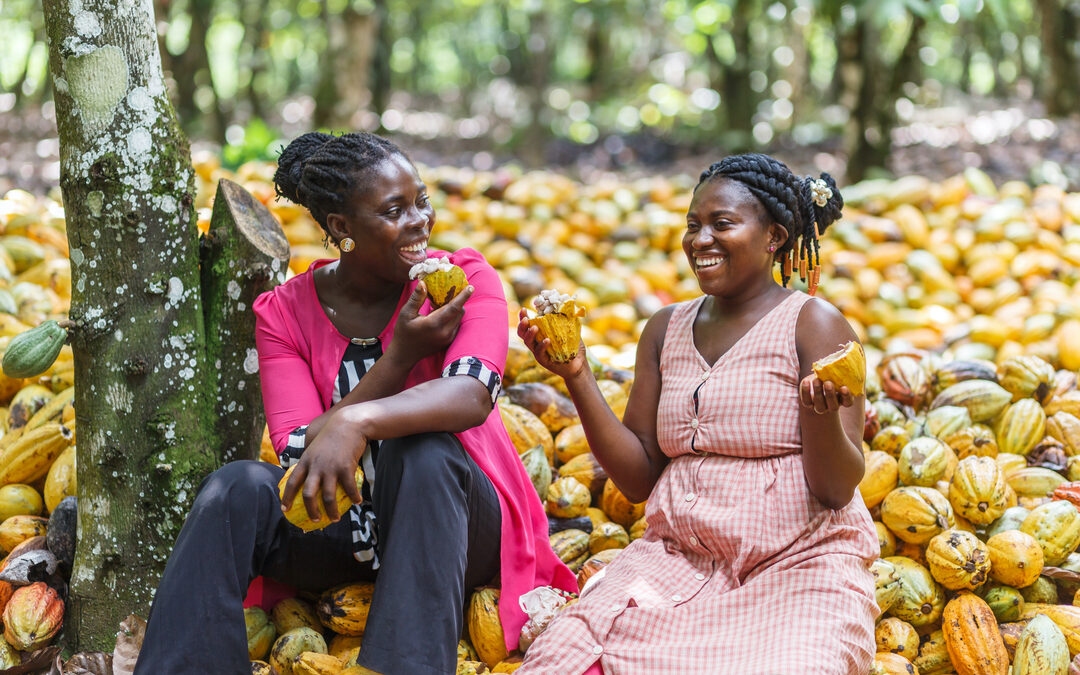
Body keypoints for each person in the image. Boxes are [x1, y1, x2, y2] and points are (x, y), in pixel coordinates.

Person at [135, 132, 576, 675]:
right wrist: (399, 358)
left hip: (453, 526)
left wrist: (355, 420)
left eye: (422, 200)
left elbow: (470, 396)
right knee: (234, 487)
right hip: (341, 528)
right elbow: (298, 449)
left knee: (423, 450)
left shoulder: (464, 280)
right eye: (395, 210)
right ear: (341, 228)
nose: (419, 221)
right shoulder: (284, 314)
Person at [515, 154, 879, 674]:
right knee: (561, 658)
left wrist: (817, 413)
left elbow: (837, 489)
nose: (699, 240)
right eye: (693, 225)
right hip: (674, 561)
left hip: (797, 566)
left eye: (722, 224)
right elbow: (639, 478)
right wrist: (576, 374)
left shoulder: (814, 324)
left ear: (773, 236)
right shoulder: (665, 329)